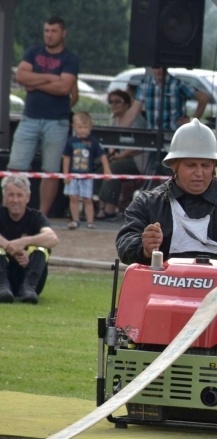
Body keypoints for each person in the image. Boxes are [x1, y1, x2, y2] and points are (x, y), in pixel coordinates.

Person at [116, 119, 217, 265]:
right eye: (190, 165)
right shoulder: (148, 203)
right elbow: (124, 244)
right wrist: (144, 248)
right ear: (174, 165)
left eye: (205, 165)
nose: (199, 173)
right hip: (163, 287)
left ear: (214, 166)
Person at [7, 16, 79, 218]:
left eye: (53, 31)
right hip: (29, 118)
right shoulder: (32, 52)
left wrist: (34, 82)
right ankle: (10, 212)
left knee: (50, 171)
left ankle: (41, 216)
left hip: (57, 121)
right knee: (15, 166)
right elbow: (21, 77)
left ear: (63, 33)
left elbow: (65, 87)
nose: (49, 34)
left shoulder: (70, 59)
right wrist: (50, 78)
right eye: (46, 30)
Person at [0, 174, 59, 304]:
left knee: (42, 248)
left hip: (27, 273)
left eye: (19, 195)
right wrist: (9, 247)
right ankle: (2, 286)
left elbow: (53, 238)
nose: (15, 200)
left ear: (28, 197)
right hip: (5, 273)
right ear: (4, 197)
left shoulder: (36, 217)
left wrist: (23, 243)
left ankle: (28, 288)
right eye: (11, 195)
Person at [97, 89, 149, 220]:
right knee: (98, 166)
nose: (114, 105)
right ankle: (98, 204)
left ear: (127, 104)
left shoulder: (136, 120)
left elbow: (139, 145)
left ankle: (109, 208)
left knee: (114, 167)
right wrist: (110, 155)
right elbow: (111, 142)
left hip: (138, 159)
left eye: (117, 102)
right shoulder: (114, 119)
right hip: (119, 157)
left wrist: (120, 156)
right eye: (111, 102)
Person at [61, 112, 111, 230]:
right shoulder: (70, 142)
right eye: (80, 127)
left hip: (87, 176)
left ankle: (90, 221)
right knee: (73, 198)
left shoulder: (93, 142)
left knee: (88, 199)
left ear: (90, 127)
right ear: (74, 127)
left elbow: (103, 155)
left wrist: (107, 169)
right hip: (73, 176)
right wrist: (65, 174)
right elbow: (66, 158)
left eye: (85, 127)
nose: (83, 130)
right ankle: (75, 220)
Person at [121, 67, 210, 132]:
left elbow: (203, 98)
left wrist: (192, 122)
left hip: (174, 136)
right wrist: (119, 132)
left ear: (166, 67)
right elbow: (133, 111)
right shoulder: (145, 84)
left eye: (162, 67)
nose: (159, 70)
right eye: (155, 67)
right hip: (153, 137)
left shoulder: (177, 84)